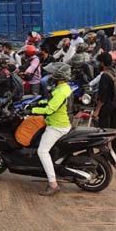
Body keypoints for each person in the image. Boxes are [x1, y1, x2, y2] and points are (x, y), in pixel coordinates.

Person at [31, 63, 72, 196]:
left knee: (42, 151)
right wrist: (37, 102)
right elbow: (51, 102)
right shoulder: (63, 88)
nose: (50, 76)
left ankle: (53, 184)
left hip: (57, 126)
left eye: (52, 74)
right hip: (57, 122)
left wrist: (32, 110)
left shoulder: (61, 91)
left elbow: (50, 109)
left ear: (59, 76)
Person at [93, 52, 116, 157]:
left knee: (103, 133)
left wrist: (97, 111)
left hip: (106, 108)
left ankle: (104, 155)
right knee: (115, 130)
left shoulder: (105, 75)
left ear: (102, 63)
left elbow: (103, 97)